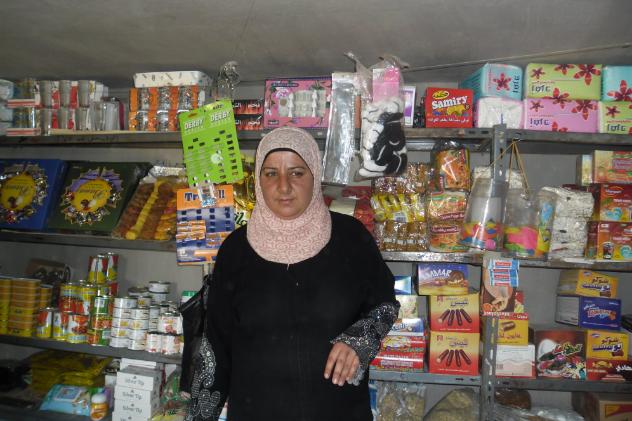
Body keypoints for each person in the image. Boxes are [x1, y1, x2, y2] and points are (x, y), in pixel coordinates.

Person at [186, 127, 399, 421]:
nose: (283, 186)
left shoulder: (351, 238)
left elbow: (385, 304)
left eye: (297, 173)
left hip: (339, 412)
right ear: (259, 180)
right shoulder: (235, 251)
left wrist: (359, 340)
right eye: (271, 173)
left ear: (315, 175)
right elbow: (215, 348)